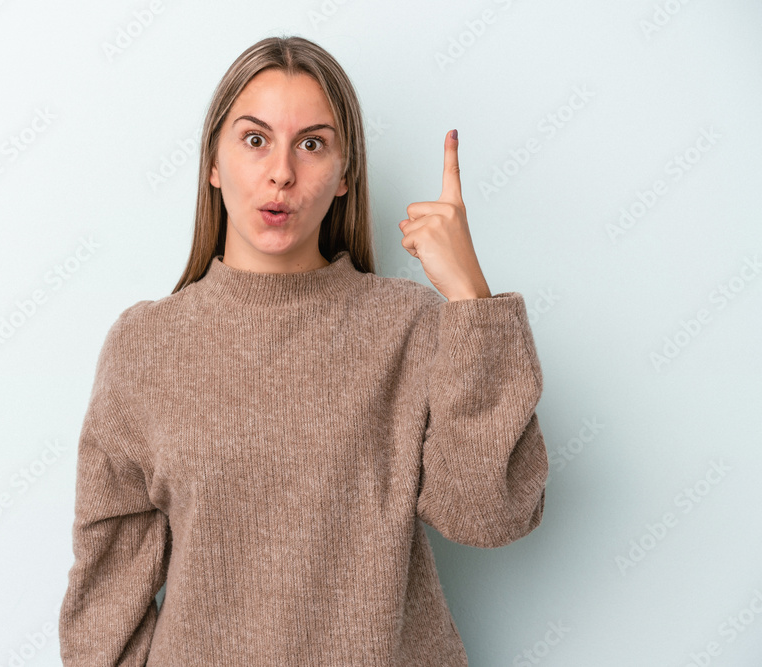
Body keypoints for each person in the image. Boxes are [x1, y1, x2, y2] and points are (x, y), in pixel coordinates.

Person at [59, 35, 548, 666]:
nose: (282, 172)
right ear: (213, 163)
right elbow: (105, 602)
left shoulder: (413, 327)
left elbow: (487, 515)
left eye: (312, 144)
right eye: (255, 139)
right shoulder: (146, 345)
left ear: (345, 175)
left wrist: (469, 297)